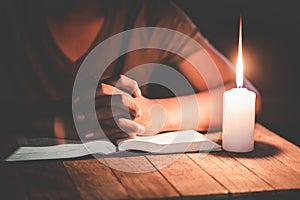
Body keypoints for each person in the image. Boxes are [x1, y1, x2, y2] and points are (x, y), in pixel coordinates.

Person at [0, 0, 261, 142]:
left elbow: (243, 93)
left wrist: (152, 114)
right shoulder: (12, 16)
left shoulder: (152, 15)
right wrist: (58, 121)